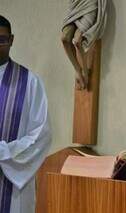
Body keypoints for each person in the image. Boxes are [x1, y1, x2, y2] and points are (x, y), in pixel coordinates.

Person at [0, 15, 51, 213]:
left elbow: (41, 135)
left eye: (2, 40)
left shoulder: (30, 83)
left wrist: (3, 153)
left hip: (14, 188)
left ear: (11, 40)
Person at [61, 0, 108, 90]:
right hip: (76, 3)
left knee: (78, 41)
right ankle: (78, 69)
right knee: (64, 39)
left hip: (90, 2)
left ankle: (85, 72)